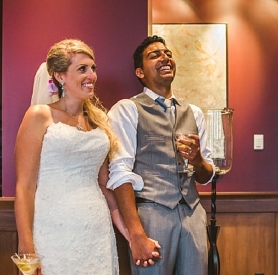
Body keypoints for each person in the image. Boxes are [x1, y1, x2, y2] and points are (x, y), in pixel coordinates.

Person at [14, 39, 130, 274]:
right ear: (60, 76)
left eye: (93, 68)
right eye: (82, 69)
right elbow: (24, 186)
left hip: (96, 228)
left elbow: (104, 183)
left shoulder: (99, 120)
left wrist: (129, 232)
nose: (91, 75)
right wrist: (26, 244)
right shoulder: (39, 116)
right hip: (54, 227)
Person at [106, 35, 215, 274]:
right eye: (154, 55)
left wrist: (197, 160)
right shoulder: (127, 109)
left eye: (168, 54)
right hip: (151, 213)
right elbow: (120, 172)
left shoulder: (194, 113)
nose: (165, 57)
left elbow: (205, 176)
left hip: (193, 212)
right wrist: (135, 234)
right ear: (140, 72)